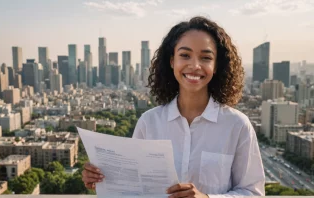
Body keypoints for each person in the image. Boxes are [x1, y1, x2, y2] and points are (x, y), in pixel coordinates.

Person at [82, 16, 265, 198]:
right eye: (185, 55)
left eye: (206, 57)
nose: (194, 66)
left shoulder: (237, 125)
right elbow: (133, 187)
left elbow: (253, 193)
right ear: (172, 61)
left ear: (216, 66)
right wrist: (102, 178)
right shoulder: (149, 123)